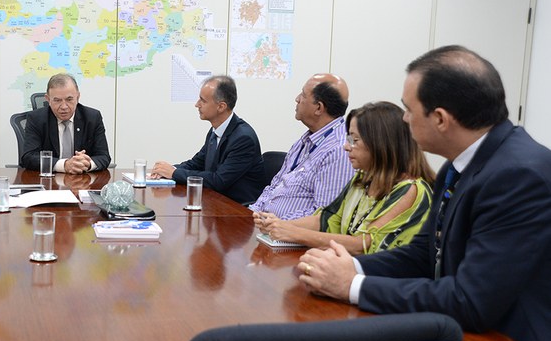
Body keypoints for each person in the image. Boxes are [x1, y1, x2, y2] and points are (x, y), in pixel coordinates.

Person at [297, 45, 551, 341]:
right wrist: (350, 266)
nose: (403, 119)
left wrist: (352, 285)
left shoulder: (519, 176)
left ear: (441, 119)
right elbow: (423, 253)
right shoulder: (459, 165)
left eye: (409, 109)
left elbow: (470, 300)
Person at [255, 102, 435, 254]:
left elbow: (364, 245)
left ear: (381, 145)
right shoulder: (362, 179)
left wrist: (292, 232)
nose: (346, 147)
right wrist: (276, 225)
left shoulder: (410, 190)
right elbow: (326, 219)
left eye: (355, 140)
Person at [249, 73, 354, 219]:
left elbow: (323, 216)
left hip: (289, 235)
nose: (297, 99)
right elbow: (275, 185)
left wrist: (278, 224)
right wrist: (253, 212)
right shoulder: (307, 138)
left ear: (318, 108)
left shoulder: (339, 150)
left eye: (303, 95)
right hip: (267, 226)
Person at [151, 75, 265, 204]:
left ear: (221, 106)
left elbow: (219, 180)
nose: (197, 104)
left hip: (236, 210)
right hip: (215, 202)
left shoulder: (243, 138)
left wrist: (174, 173)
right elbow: (197, 163)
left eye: (203, 101)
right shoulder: (215, 130)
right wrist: (166, 170)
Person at [20, 73, 111, 174]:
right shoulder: (36, 119)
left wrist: (87, 164)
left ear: (78, 97)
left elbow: (104, 156)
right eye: (57, 100)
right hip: (49, 182)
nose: (64, 106)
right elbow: (28, 157)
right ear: (48, 99)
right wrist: (64, 165)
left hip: (82, 182)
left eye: (69, 99)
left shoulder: (92, 117)